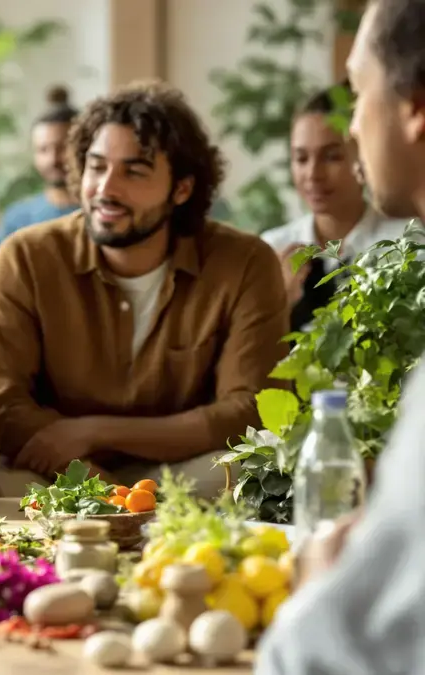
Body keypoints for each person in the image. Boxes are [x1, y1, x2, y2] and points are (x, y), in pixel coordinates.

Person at [0, 81, 288, 498]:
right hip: (64, 474)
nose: (106, 189)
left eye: (134, 171)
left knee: (260, 465)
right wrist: (97, 485)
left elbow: (251, 408)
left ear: (181, 189)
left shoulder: (245, 262)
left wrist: (95, 431)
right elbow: (0, 401)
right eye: (97, 167)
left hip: (185, 473)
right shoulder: (26, 257)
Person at [257, 0, 425, 671]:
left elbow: (348, 649)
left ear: (415, 107)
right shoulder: (272, 253)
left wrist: (326, 582)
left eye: (357, 95)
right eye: (302, 156)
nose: (355, 127)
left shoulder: (402, 254)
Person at [263, 83, 409, 330]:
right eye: (301, 158)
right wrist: (279, 303)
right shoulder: (271, 251)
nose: (313, 174)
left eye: (331, 157)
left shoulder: (405, 246)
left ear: (363, 156)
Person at [0, 85, 81, 251]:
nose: (53, 160)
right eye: (43, 149)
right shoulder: (17, 218)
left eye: (62, 148)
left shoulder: (102, 215)